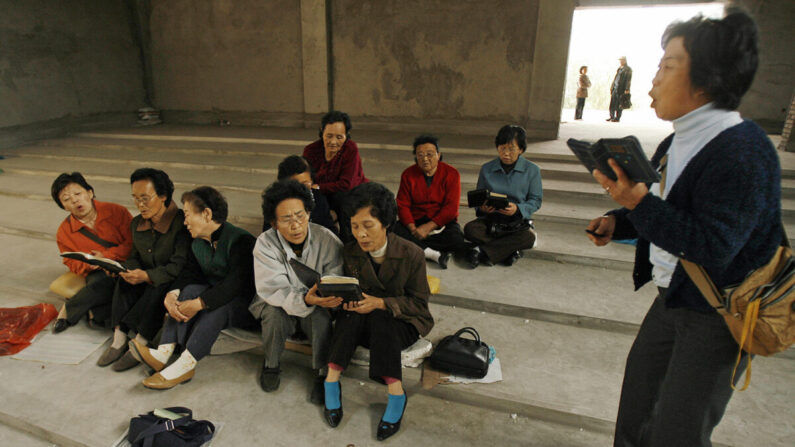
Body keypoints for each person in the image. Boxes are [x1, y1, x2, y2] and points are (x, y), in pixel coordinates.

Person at [585, 11, 780, 447]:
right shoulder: (677, 140)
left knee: (677, 433)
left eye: (668, 65)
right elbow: (668, 212)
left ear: (706, 80)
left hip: (716, 313)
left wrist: (636, 201)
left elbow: (712, 246)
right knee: (635, 416)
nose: (654, 79)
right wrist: (619, 222)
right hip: (670, 299)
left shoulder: (744, 150)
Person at [321, 182, 433, 441]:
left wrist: (381, 303)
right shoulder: (349, 252)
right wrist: (346, 301)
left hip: (404, 323)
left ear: (385, 223)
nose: (360, 234)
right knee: (351, 314)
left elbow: (418, 304)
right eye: (354, 226)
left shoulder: (412, 254)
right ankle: (331, 380)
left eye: (368, 226)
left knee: (382, 316)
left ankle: (396, 393)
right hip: (362, 321)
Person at [128, 186, 258, 389]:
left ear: (206, 214)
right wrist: (172, 294)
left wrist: (199, 303)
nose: (185, 221)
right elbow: (189, 273)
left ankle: (186, 364)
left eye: (188, 215)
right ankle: (162, 354)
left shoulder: (242, 241)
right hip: (215, 297)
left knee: (217, 307)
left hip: (244, 306)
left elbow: (235, 285)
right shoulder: (198, 241)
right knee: (187, 291)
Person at [250, 180, 343, 402]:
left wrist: (321, 299)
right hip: (279, 301)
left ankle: (323, 374)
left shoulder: (328, 240)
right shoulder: (265, 244)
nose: (296, 225)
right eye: (286, 219)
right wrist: (304, 299)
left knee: (320, 318)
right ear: (273, 223)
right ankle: (271, 363)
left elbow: (337, 278)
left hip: (319, 303)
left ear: (309, 214)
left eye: (300, 216)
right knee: (273, 314)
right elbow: (273, 288)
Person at [98, 168, 191, 371]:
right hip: (145, 277)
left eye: (145, 198)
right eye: (135, 198)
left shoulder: (181, 224)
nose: (139, 204)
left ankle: (141, 341)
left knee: (159, 286)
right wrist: (128, 270)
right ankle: (119, 337)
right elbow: (134, 256)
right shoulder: (136, 223)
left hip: (171, 280)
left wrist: (147, 275)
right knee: (123, 278)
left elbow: (178, 266)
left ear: (163, 196)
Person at [51, 172, 133, 332]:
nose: (75, 200)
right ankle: (93, 314)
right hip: (97, 272)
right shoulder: (64, 231)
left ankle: (69, 309)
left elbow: (132, 243)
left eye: (78, 193)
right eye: (66, 199)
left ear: (90, 192)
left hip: (126, 261)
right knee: (102, 284)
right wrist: (92, 265)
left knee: (123, 284)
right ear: (63, 206)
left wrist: (107, 257)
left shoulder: (117, 211)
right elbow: (70, 262)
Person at [464, 125, 541, 267]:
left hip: (516, 223)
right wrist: (483, 209)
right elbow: (478, 198)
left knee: (528, 237)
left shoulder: (532, 170)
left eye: (511, 149)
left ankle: (480, 251)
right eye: (502, 148)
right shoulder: (487, 168)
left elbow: (535, 201)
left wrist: (518, 208)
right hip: (491, 220)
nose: (506, 153)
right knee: (470, 230)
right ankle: (510, 250)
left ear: (521, 149)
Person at [393, 135, 475, 269]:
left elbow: (451, 209)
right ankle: (433, 254)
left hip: (441, 224)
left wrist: (428, 227)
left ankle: (419, 247)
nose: (425, 159)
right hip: (416, 222)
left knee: (456, 238)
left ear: (438, 155)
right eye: (420, 155)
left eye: (430, 154)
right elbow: (402, 205)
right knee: (393, 230)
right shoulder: (408, 174)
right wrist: (413, 229)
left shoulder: (452, 174)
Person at [302, 110, 368, 242]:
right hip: (323, 193)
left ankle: (348, 244)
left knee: (345, 202)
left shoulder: (350, 149)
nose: (333, 142)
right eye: (329, 136)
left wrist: (318, 187)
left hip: (349, 193)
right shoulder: (311, 150)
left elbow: (346, 184)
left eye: (339, 137)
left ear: (347, 135)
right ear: (322, 132)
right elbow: (307, 179)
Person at [262, 155, 336, 235]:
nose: (301, 189)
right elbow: (269, 233)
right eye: (296, 185)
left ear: (311, 180)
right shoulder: (275, 202)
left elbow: (329, 228)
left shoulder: (318, 197)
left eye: (305, 184)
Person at [608, 56, 632, 122]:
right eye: (620, 60)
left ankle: (617, 118)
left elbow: (628, 80)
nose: (620, 62)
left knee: (619, 103)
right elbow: (615, 78)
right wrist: (612, 86)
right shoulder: (619, 68)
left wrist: (627, 89)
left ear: (625, 60)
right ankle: (611, 116)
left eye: (621, 60)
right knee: (612, 103)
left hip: (621, 89)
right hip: (615, 88)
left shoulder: (628, 69)